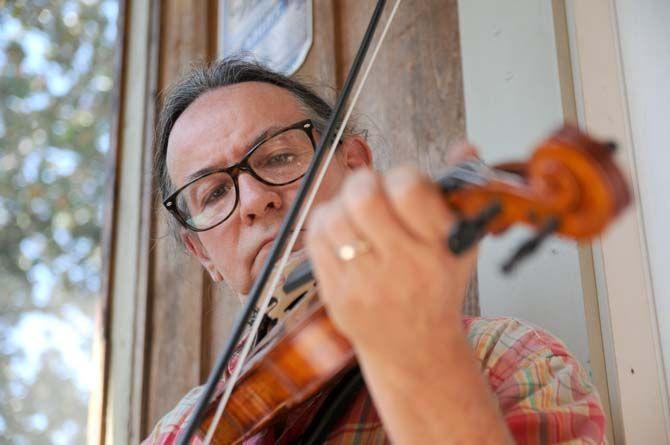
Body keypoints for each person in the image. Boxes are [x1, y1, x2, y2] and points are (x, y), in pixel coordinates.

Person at [144, 58, 606, 444]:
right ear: (202, 253)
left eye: (279, 156)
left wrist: (416, 354)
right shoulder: (178, 432)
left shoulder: (508, 361)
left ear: (356, 164)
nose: (252, 200)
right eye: (213, 194)